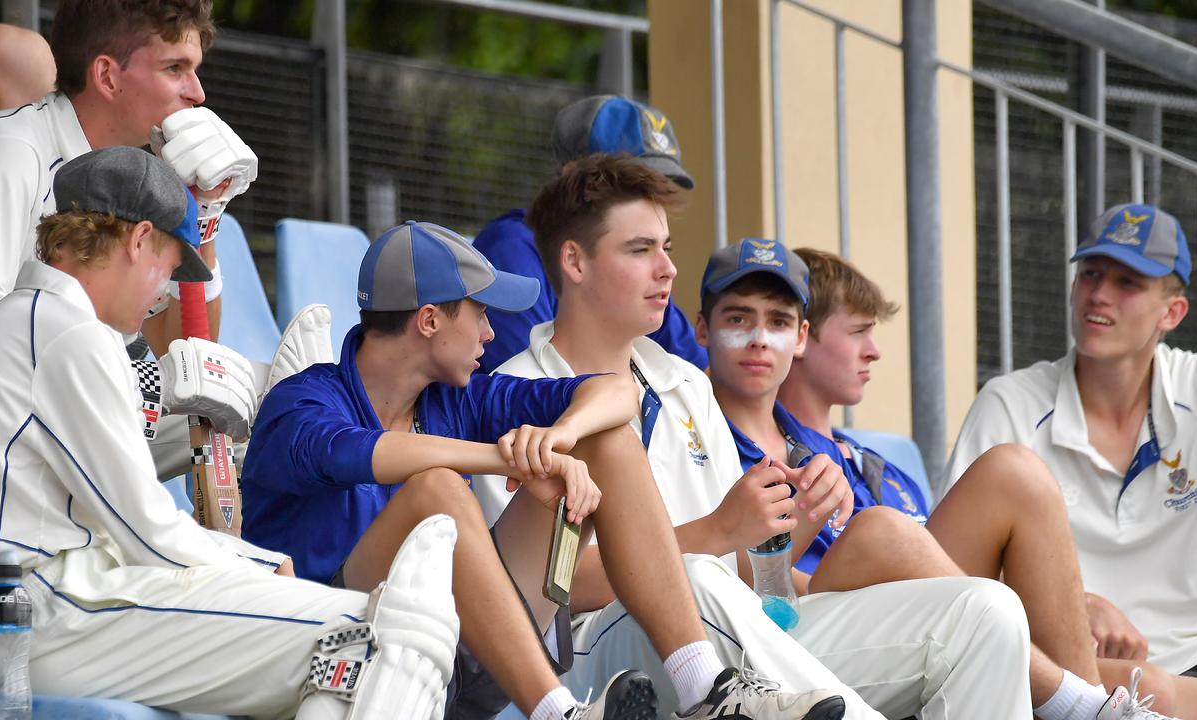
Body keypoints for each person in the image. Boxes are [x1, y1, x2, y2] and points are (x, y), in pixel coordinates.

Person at [477, 152, 1038, 720]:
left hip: (740, 633)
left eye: (667, 248)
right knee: (694, 577)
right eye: (640, 249)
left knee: (985, 611)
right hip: (599, 654)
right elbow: (542, 588)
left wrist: (794, 520)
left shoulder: (686, 383)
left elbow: (745, 571)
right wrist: (720, 529)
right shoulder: (513, 393)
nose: (667, 269)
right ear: (574, 261)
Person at [241, 218, 846, 720]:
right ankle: (557, 712)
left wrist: (560, 439)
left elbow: (615, 391)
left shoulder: (457, 396)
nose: (488, 332)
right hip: (338, 649)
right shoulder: (302, 401)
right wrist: (510, 458)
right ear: (428, 321)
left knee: (605, 442)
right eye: (478, 313)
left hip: (464, 650)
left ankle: (706, 692)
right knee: (437, 493)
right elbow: (362, 453)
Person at [0, 146, 463, 720]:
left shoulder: (15, 322)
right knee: (370, 637)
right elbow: (148, 532)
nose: (165, 290)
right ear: (138, 241)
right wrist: (258, 566)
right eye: (168, 263)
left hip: (37, 612)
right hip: (56, 612)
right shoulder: (67, 334)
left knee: (362, 641)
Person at [705, 240, 1197, 718]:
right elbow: (718, 577)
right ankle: (1080, 704)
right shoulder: (697, 432)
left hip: (911, 609)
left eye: (778, 322)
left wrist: (1081, 602)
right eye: (737, 319)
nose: (758, 338)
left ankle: (1081, 701)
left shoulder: (826, 451)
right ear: (702, 330)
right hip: (805, 628)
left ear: (800, 335)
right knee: (895, 527)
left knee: (1148, 682)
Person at [0, 0, 262, 478]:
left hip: (74, 406)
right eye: (176, 68)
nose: (197, 93)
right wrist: (142, 387)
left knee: (259, 411)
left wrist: (204, 213)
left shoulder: (136, 177)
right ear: (107, 76)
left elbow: (187, 356)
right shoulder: (12, 154)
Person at [948, 204, 1197, 681]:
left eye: (1127, 283)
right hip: (1064, 672)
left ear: (1172, 312)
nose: (1099, 295)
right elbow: (954, 575)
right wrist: (1078, 605)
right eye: (1090, 274)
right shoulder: (1009, 404)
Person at [473, 94, 707, 374]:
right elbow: (540, 389)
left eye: (657, 184)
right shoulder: (512, 246)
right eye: (627, 181)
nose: (647, 196)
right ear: (573, 175)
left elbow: (702, 371)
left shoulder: (641, 282)